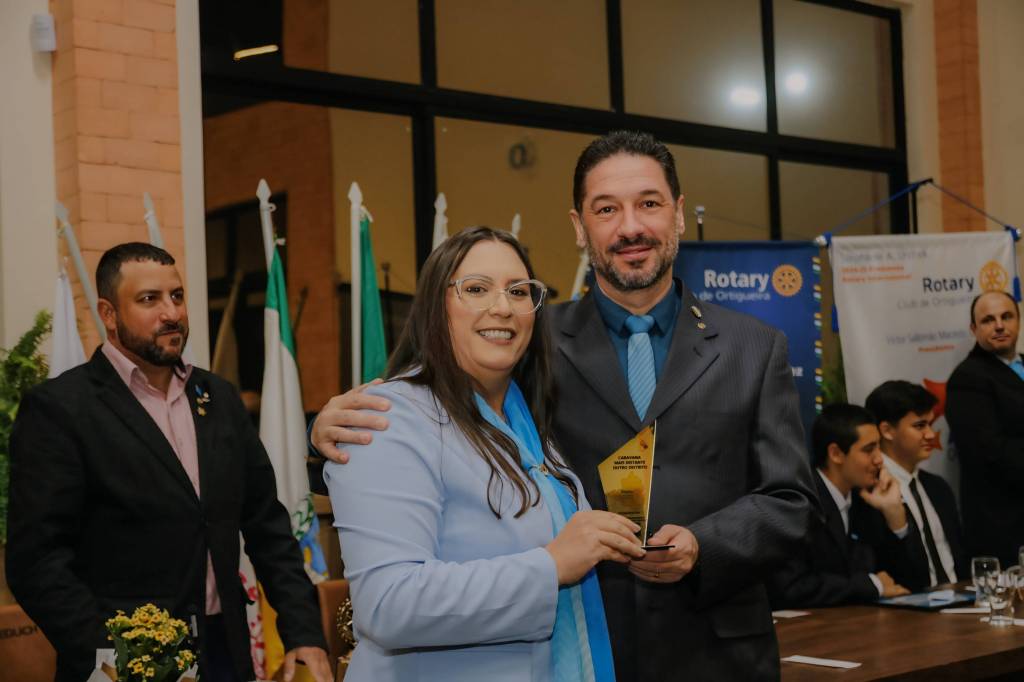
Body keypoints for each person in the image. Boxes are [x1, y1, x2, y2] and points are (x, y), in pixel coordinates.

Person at [312, 131, 817, 680]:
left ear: (677, 213)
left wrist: (704, 546)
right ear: (579, 227)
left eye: (648, 203)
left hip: (716, 650)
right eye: (607, 209)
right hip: (577, 643)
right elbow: (436, 413)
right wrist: (323, 437)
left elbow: (791, 499)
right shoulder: (529, 339)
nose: (630, 227)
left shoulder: (753, 346)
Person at [325, 226, 644, 681]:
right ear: (436, 306)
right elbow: (388, 605)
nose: (503, 307)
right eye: (476, 289)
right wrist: (551, 565)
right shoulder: (387, 419)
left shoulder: (528, 422)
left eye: (519, 291)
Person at [6, 243, 331, 682]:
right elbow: (37, 561)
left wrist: (303, 633)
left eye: (176, 296)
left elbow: (268, 527)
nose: (171, 313)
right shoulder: (61, 409)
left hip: (226, 651)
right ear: (108, 314)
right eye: (149, 299)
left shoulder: (219, 398)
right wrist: (115, 657)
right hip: (125, 662)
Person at [768, 404, 928, 609]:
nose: (879, 459)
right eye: (869, 450)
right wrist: (872, 585)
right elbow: (792, 588)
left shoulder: (868, 498)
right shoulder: (798, 502)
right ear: (836, 453)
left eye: (879, 447)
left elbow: (912, 583)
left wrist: (895, 517)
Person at [946, 290, 1024, 567]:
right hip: (1003, 524)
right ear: (974, 329)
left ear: (1018, 320)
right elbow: (989, 452)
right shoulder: (968, 378)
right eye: (988, 320)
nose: (999, 325)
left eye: (1007, 316)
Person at [866, 380, 967, 586]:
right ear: (887, 430)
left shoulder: (938, 487)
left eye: (930, 424)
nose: (930, 435)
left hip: (961, 596)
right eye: (919, 426)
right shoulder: (870, 492)